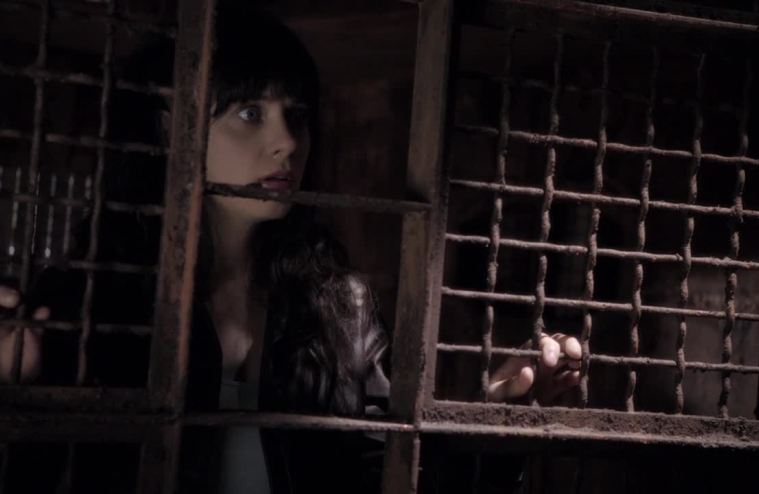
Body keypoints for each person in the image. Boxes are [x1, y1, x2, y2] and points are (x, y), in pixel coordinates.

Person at [0, 2, 582, 492]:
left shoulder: (340, 304)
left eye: (296, 115)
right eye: (250, 113)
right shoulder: (84, 296)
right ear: (172, 123)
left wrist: (490, 425)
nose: (286, 142)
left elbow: (386, 474)